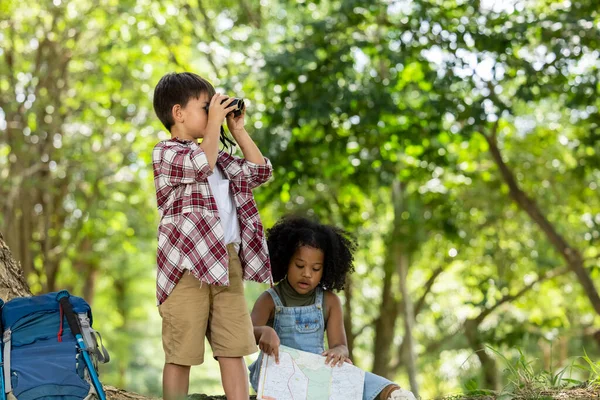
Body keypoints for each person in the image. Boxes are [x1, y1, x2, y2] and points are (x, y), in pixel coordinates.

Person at [152, 72, 273, 400]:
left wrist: (237, 129)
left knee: (233, 348)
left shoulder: (220, 158)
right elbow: (199, 164)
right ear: (178, 113)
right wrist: (213, 129)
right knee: (181, 353)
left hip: (227, 263)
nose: (212, 114)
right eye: (206, 107)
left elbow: (260, 171)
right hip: (186, 269)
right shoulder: (166, 153)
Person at [249, 216, 417, 400]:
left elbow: (341, 346)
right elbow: (243, 333)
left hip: (317, 372)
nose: (306, 273)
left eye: (316, 268)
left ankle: (391, 393)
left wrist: (339, 352)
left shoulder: (329, 301)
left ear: (326, 269)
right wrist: (263, 332)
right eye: (299, 265)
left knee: (350, 372)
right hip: (279, 373)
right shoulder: (270, 300)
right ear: (285, 261)